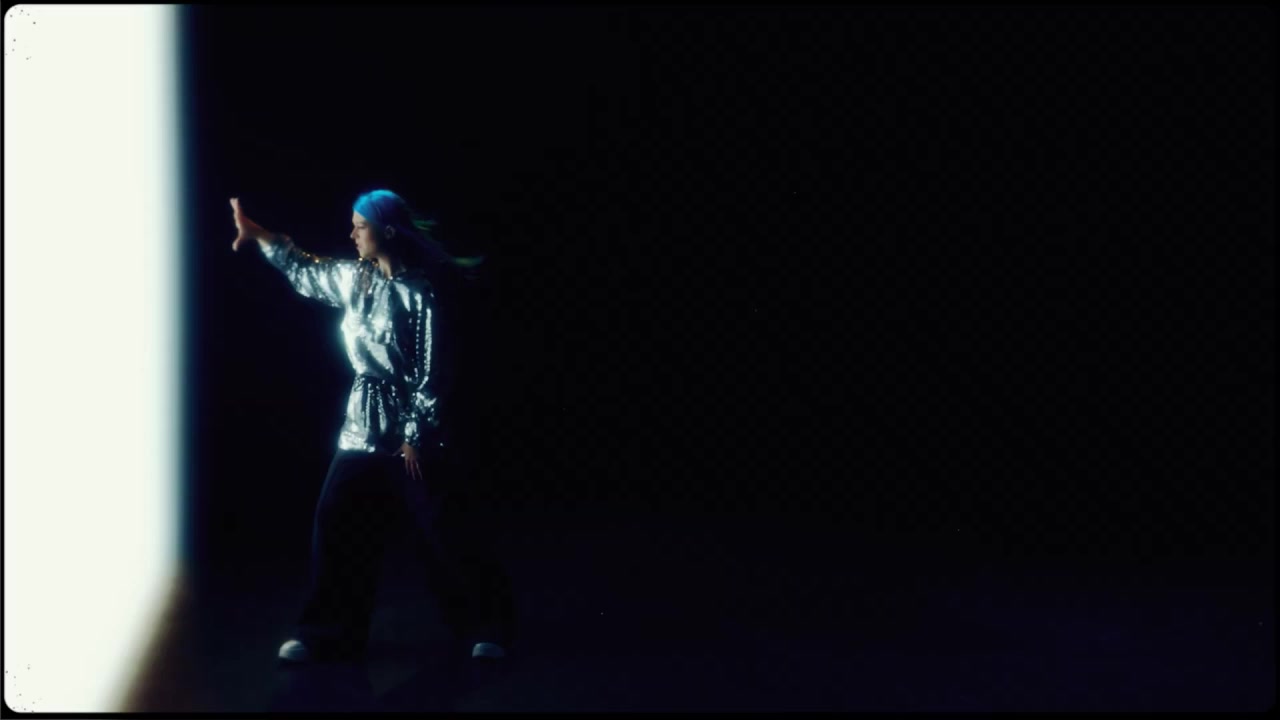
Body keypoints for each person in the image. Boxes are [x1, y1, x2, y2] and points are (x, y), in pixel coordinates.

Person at [229, 190, 515, 664]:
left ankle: (487, 626)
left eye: (360, 226)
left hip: (413, 431)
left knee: (442, 529)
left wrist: (414, 435)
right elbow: (306, 269)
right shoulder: (354, 278)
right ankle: (326, 633)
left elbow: (434, 372)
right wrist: (260, 236)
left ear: (387, 231)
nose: (352, 234)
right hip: (361, 425)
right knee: (336, 520)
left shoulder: (420, 293)